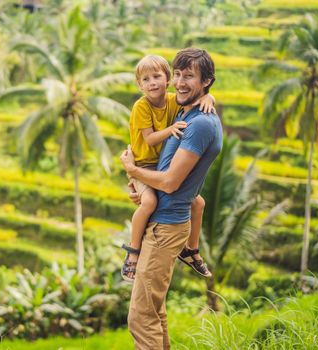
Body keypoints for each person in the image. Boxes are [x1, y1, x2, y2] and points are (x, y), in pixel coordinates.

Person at [120, 47, 223, 350]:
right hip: (165, 221)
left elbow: (168, 182)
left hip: (165, 227)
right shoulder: (185, 110)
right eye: (177, 74)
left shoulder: (199, 122)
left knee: (141, 317)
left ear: (206, 81)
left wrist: (133, 170)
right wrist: (209, 97)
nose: (178, 82)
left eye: (188, 76)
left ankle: (133, 250)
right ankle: (190, 250)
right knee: (155, 311)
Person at [121, 54, 214, 282]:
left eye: (157, 76)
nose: (152, 83)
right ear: (139, 85)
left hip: (159, 165)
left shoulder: (174, 100)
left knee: (198, 202)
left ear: (168, 79)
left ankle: (191, 250)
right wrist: (171, 128)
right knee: (149, 202)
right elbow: (150, 139)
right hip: (142, 164)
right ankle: (133, 251)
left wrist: (210, 98)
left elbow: (199, 96)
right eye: (145, 79)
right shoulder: (141, 106)